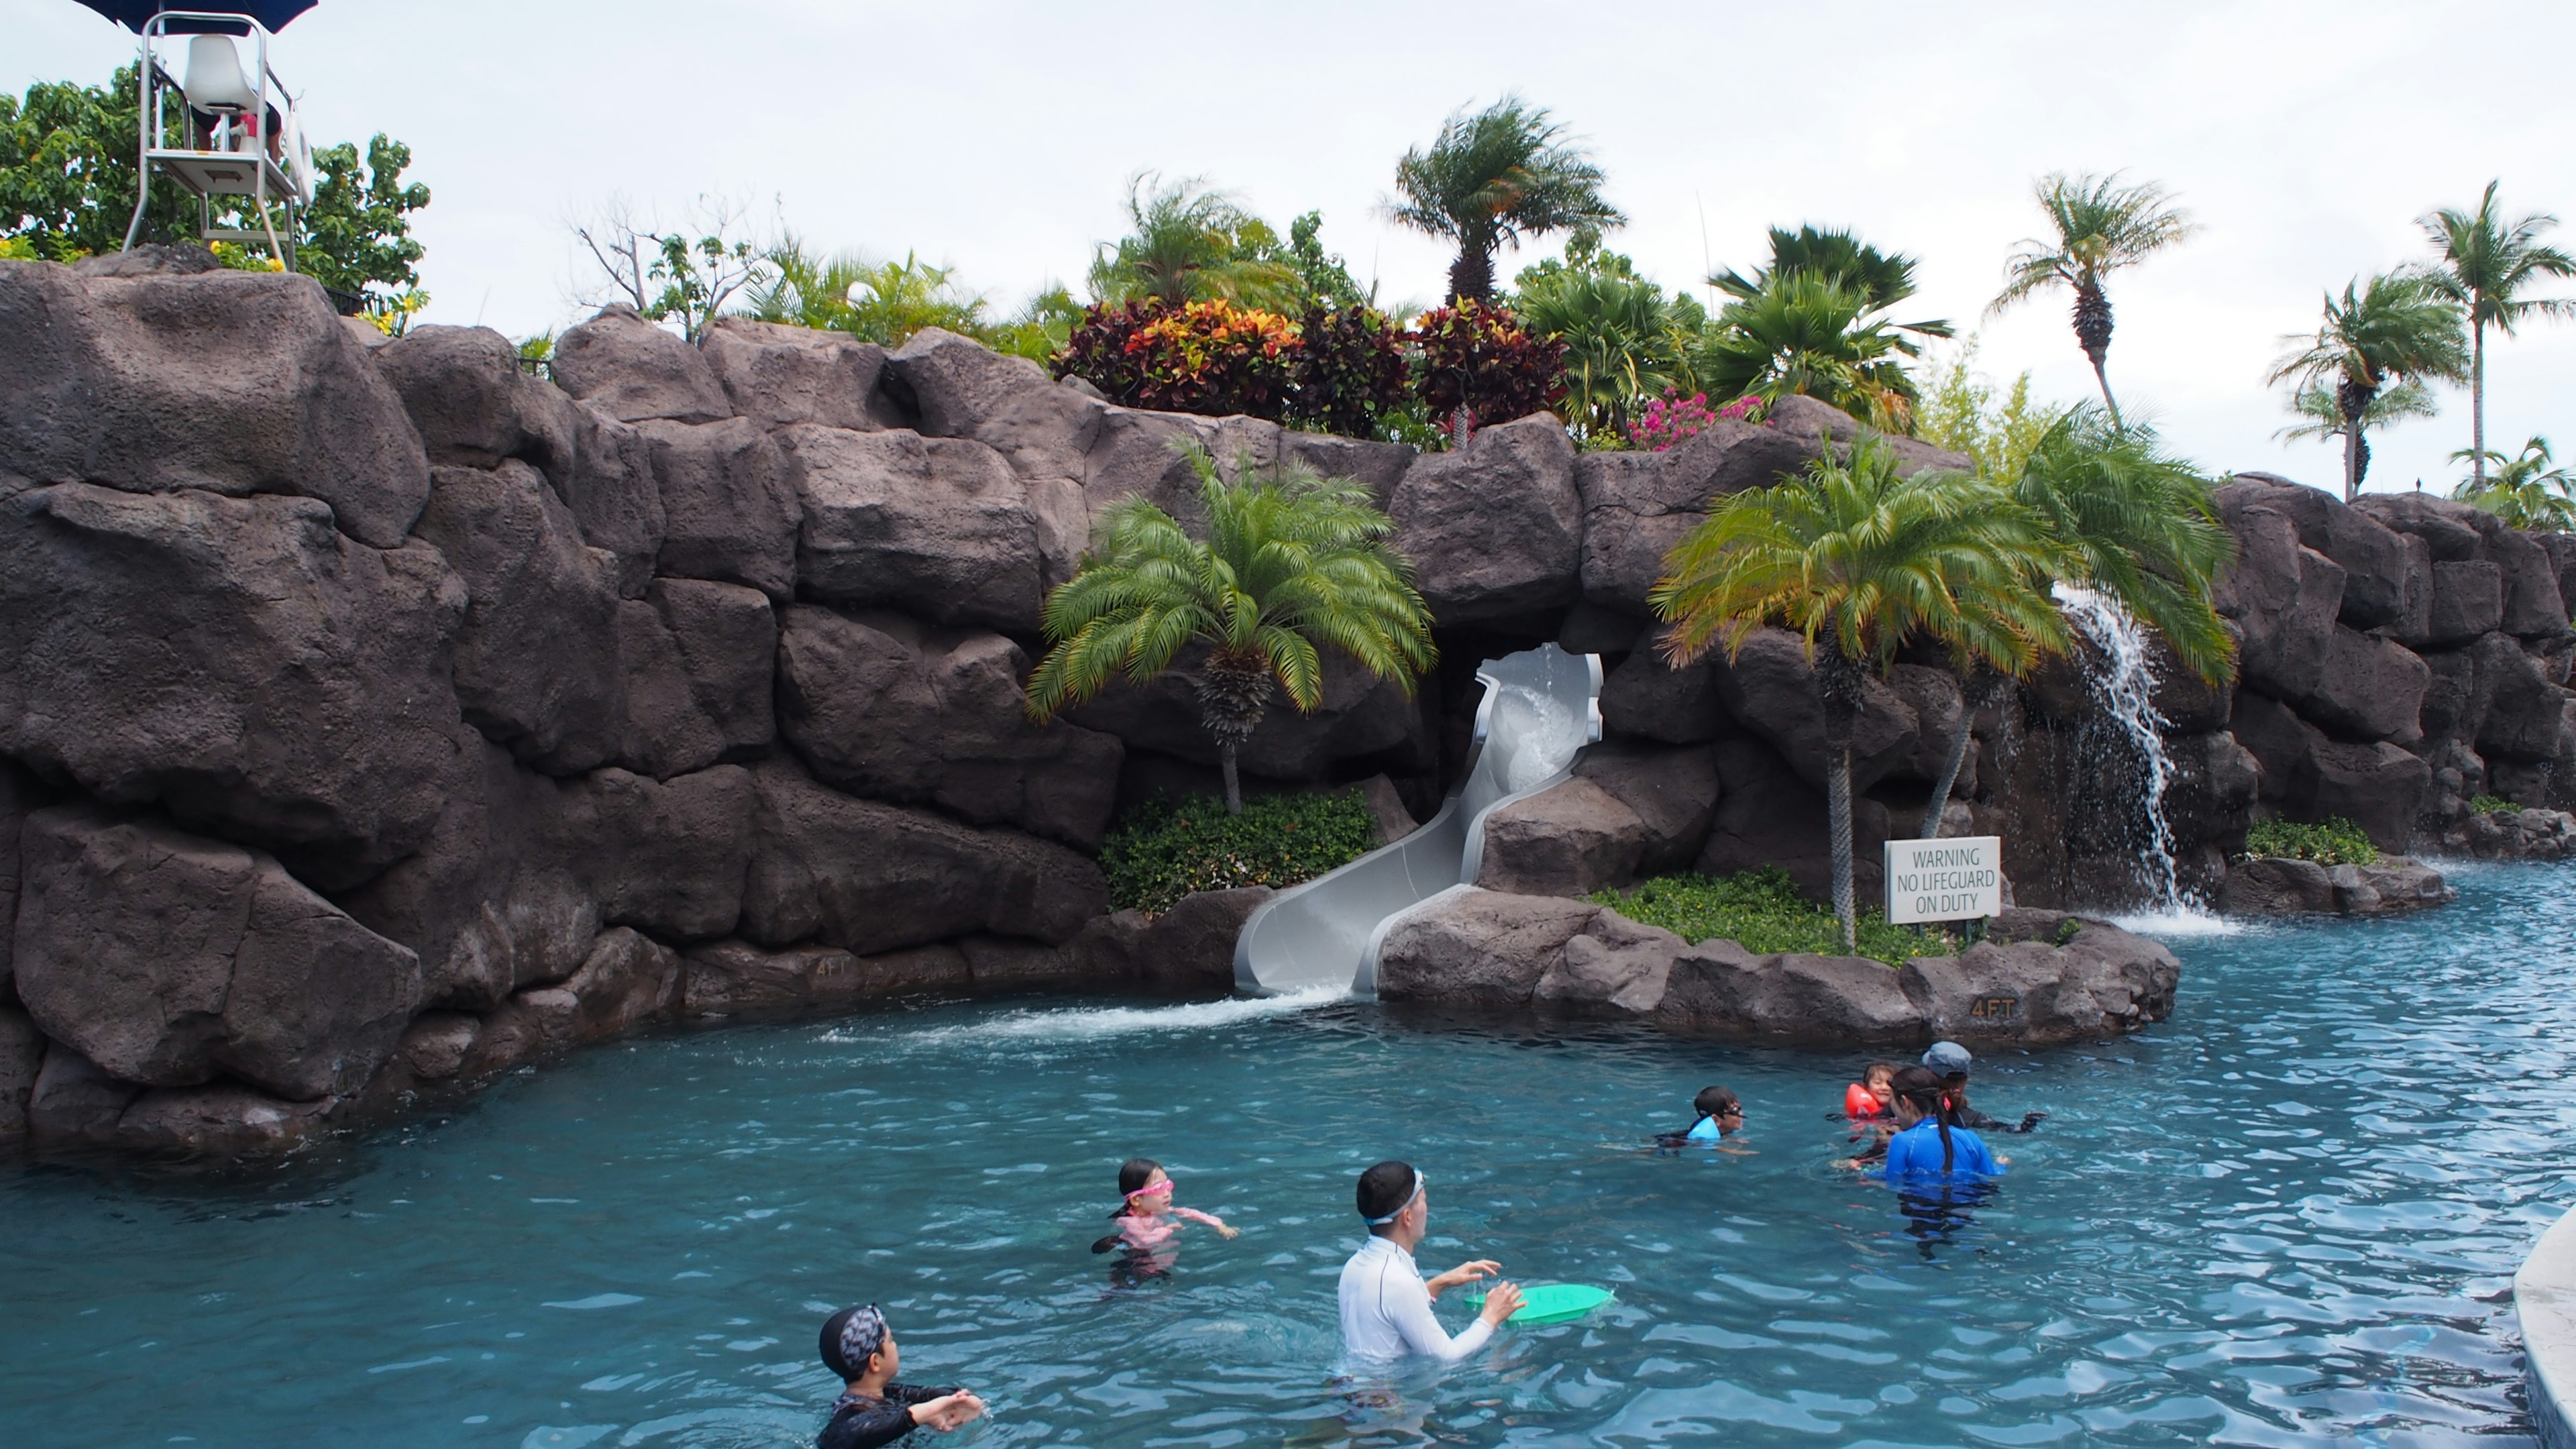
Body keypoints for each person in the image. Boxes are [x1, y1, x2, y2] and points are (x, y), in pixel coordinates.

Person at [1337, 1161, 1523, 1364]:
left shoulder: (1355, 1264)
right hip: (1381, 1396)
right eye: (1424, 1200)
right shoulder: (1398, 1282)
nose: (1427, 1208)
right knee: (1502, 1369)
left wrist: (1439, 1283)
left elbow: (1387, 1314)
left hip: (1343, 1384)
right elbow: (1446, 1357)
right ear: (1407, 1217)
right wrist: (1490, 1317)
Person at [814, 1304, 985, 1449]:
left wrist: (959, 1400)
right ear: (875, 1363)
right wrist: (920, 1414)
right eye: (891, 1340)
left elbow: (925, 1395)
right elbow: (848, 1436)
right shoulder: (847, 1416)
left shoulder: (887, 1394)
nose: (895, 1345)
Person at [1879, 1066, 2006, 1181]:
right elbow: (1992, 1176)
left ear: (1904, 1102)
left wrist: (1863, 1172)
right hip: (1967, 1205)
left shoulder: (1902, 1141)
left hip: (1920, 1205)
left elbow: (1893, 1182)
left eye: (1891, 1100)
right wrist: (2002, 1165)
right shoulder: (1971, 1138)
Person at [1090, 1158, 1240, 1253]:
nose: (1167, 1193)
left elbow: (1193, 1213)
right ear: (1137, 1200)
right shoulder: (1129, 1221)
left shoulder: (1161, 1210)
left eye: (1168, 1186)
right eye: (1159, 1189)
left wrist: (1219, 1225)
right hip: (1135, 1259)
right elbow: (1146, 1241)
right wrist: (1168, 1229)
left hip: (1155, 1256)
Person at [1921, 1042, 2046, 1135]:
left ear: (1929, 1073)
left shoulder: (1912, 1107)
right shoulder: (1970, 1117)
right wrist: (2027, 1126)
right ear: (1965, 1080)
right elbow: (2010, 1130)